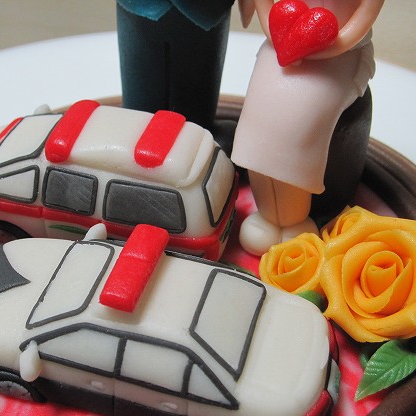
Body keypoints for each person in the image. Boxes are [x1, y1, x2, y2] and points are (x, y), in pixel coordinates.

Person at [233, 0, 384, 255]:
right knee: (261, 113)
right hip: (280, 44)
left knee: (301, 122)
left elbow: (363, 16)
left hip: (340, 55)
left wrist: (324, 47)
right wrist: (280, 37)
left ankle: (293, 220)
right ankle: (267, 214)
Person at [116, 0, 240, 151]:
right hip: (139, 9)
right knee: (140, 108)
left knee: (197, 105)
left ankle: (197, 141)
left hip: (207, 11)